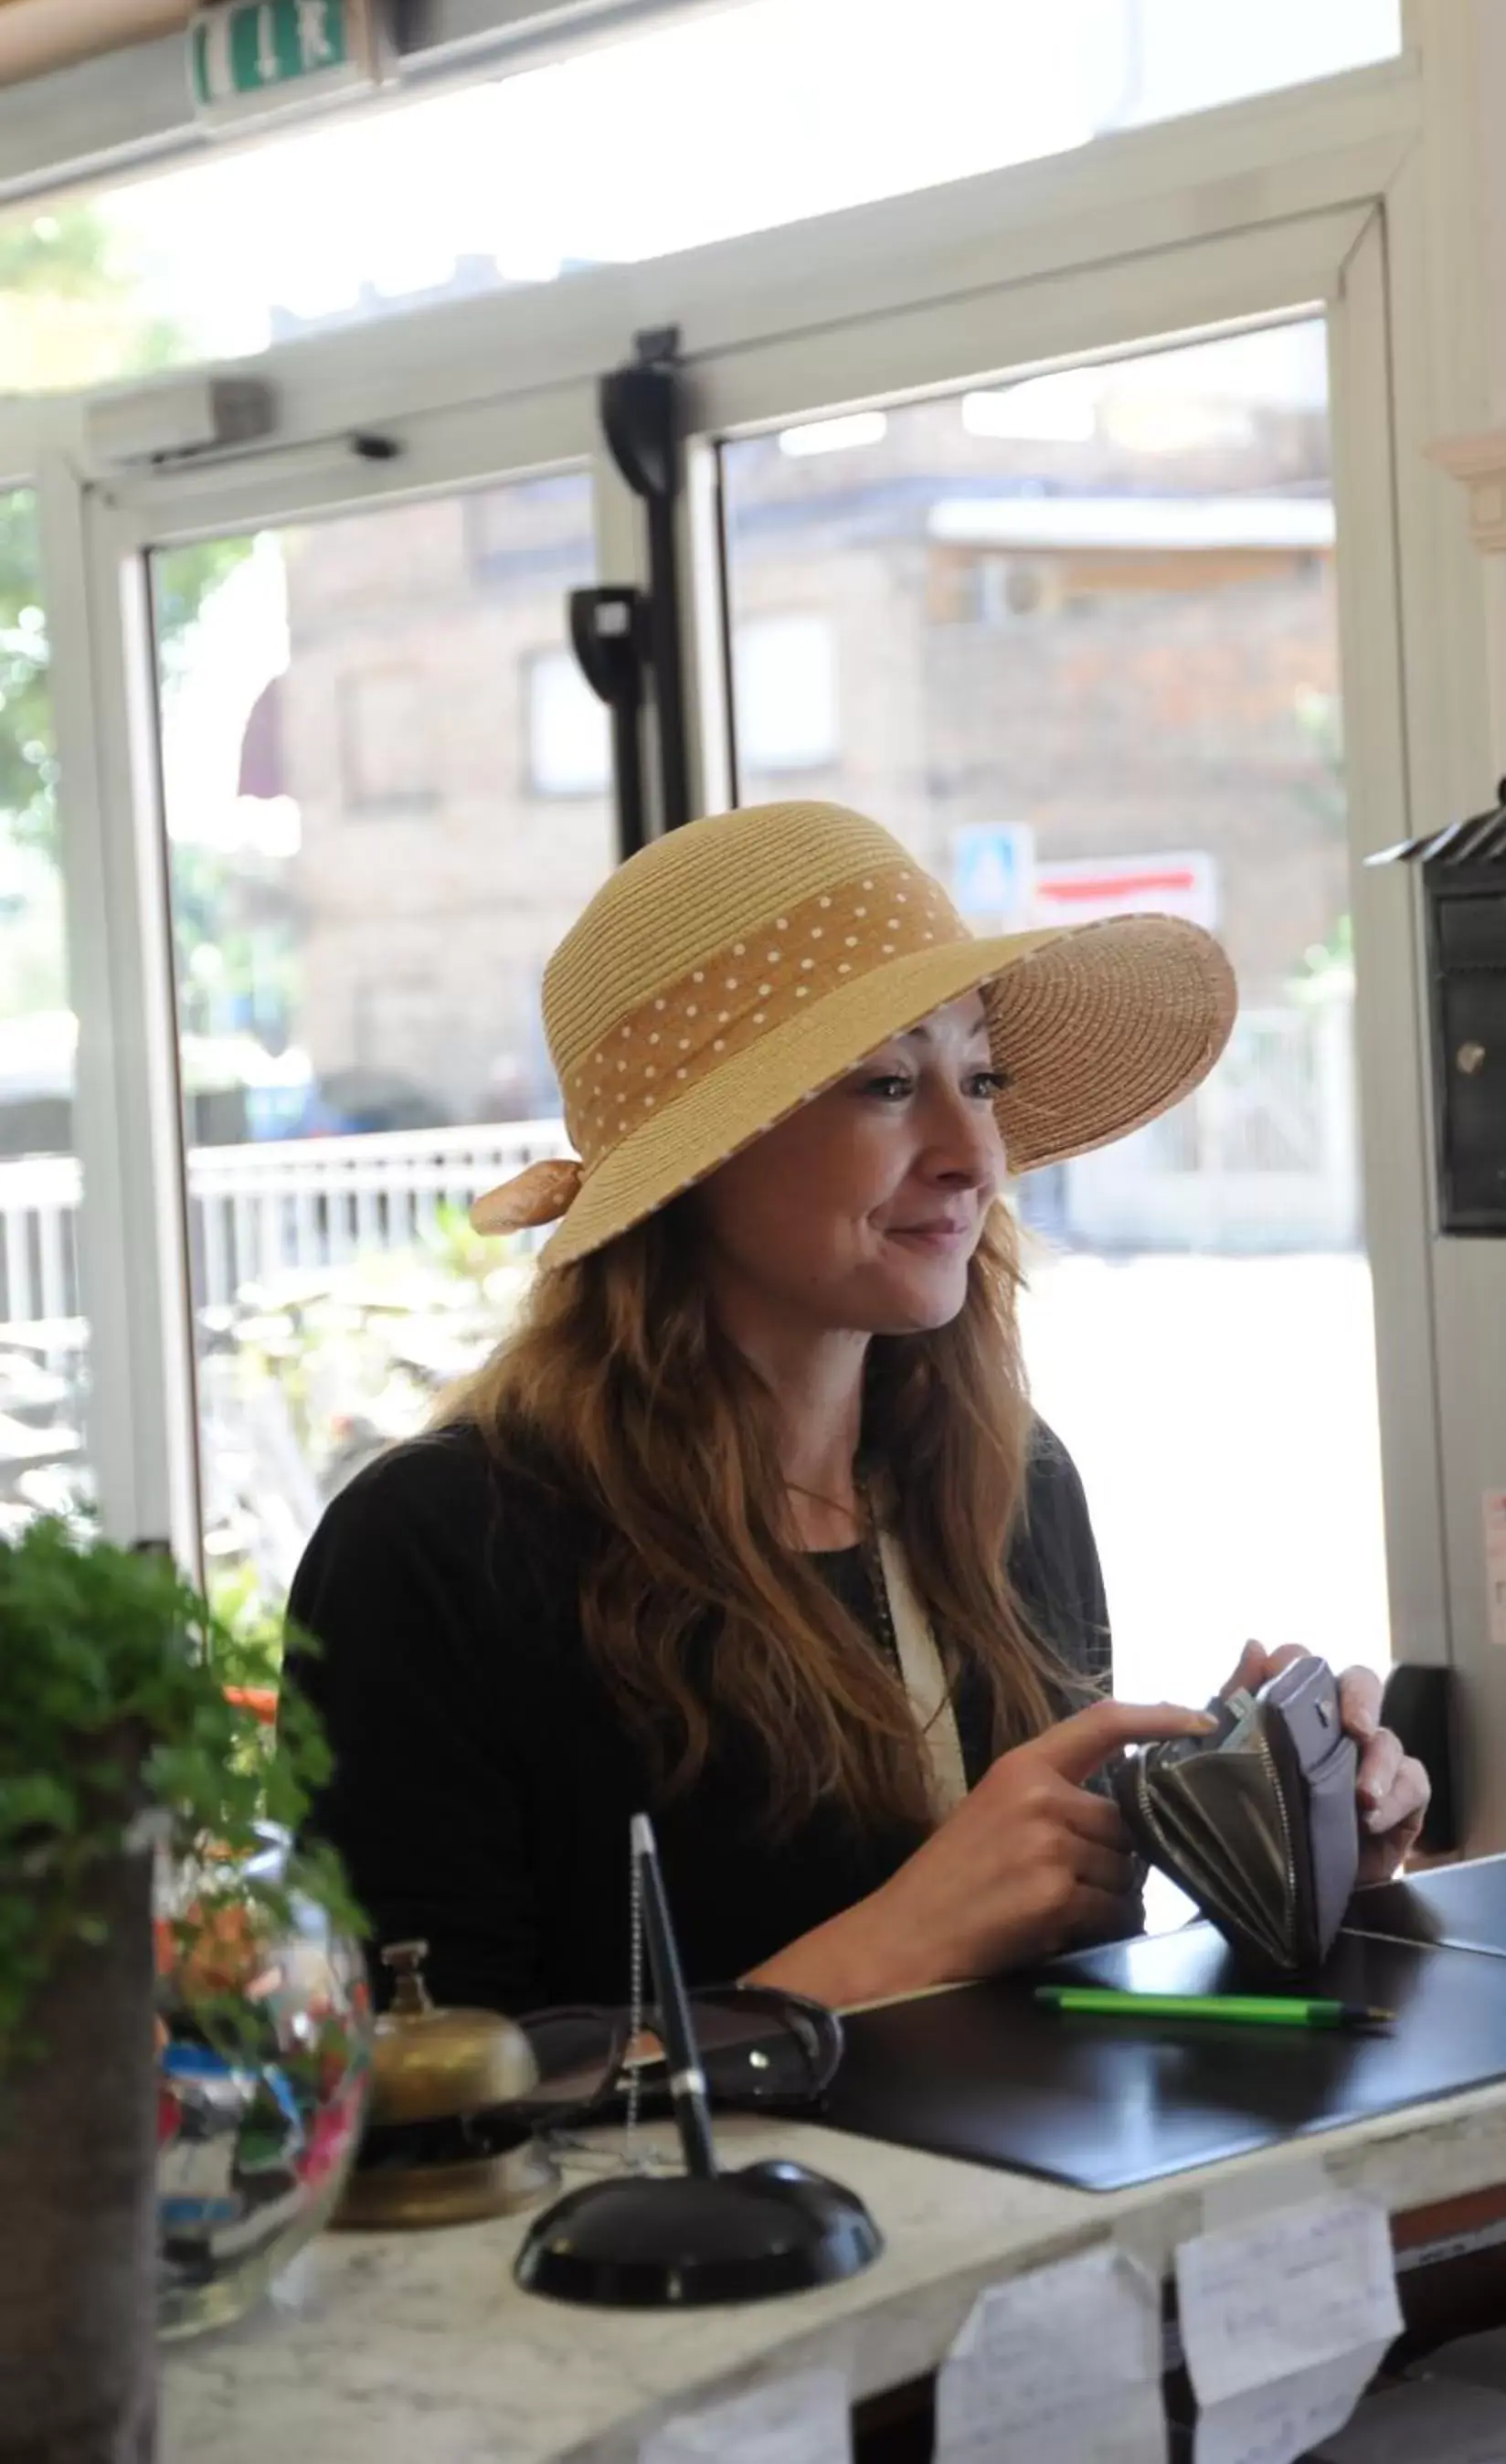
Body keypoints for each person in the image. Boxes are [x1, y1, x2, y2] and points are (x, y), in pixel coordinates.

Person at [287, 802, 1427, 2018]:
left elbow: (1065, 2002)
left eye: (978, 1078)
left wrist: (1279, 1849)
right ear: (696, 1159)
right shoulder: (438, 1555)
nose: (971, 1154)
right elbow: (414, 2134)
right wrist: (891, 1944)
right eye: (887, 1083)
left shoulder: (1011, 1483)